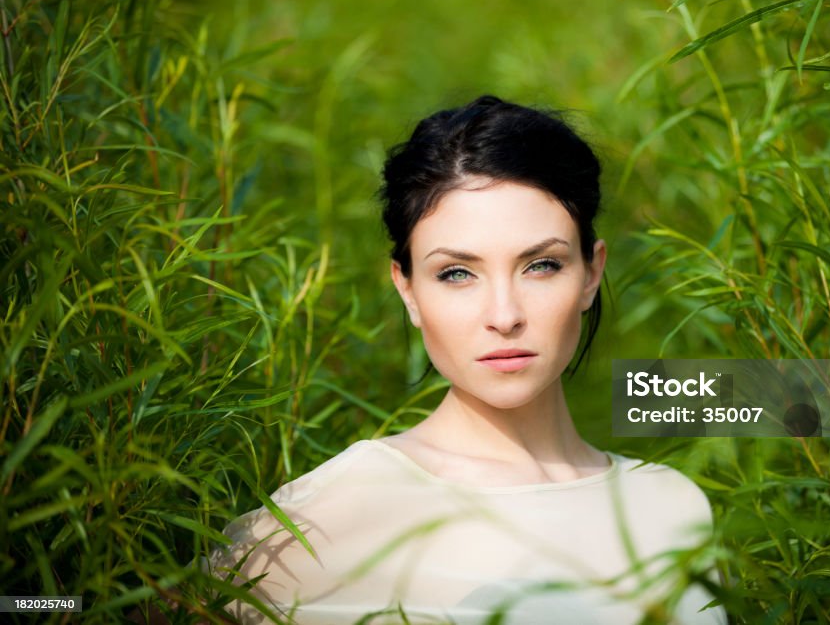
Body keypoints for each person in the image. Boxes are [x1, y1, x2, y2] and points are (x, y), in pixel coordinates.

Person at [202, 95, 727, 625]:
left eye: (541, 265)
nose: (504, 315)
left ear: (591, 274)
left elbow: (804, 400)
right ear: (406, 289)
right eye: (457, 273)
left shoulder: (675, 506)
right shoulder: (339, 511)